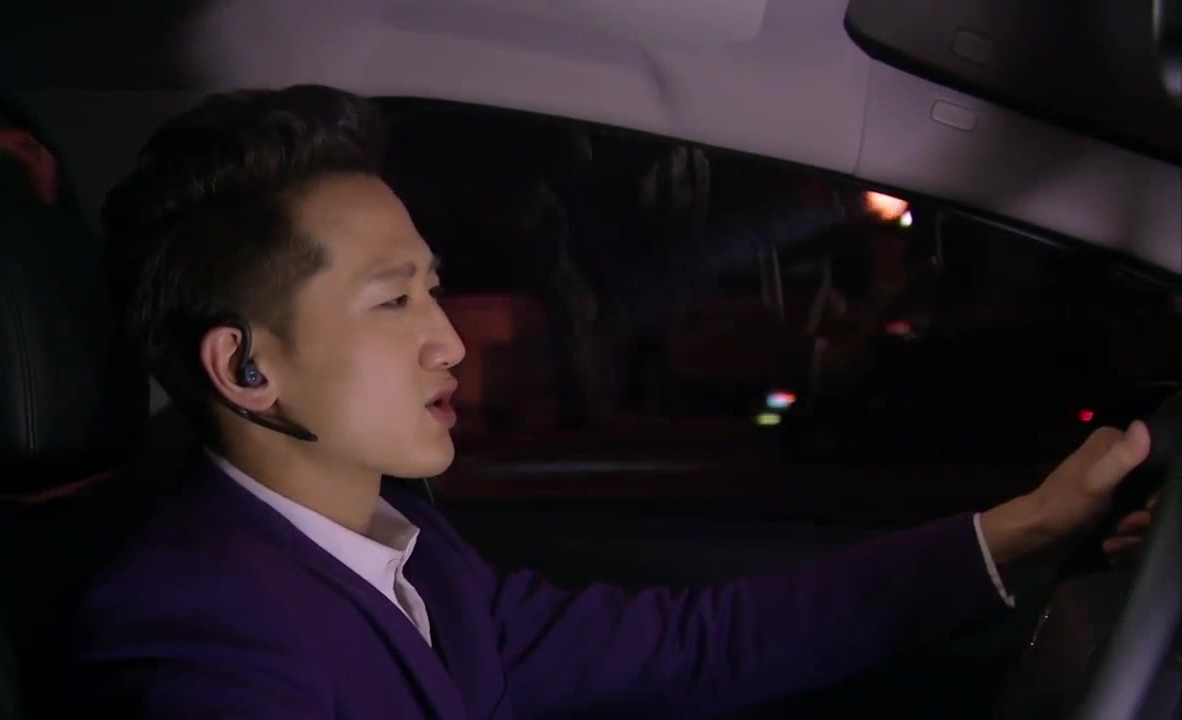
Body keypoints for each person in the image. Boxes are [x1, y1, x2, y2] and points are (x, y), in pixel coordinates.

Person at [75, 85, 1154, 719]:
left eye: (433, 289)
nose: (450, 340)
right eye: (394, 301)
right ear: (246, 369)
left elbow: (697, 646)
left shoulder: (408, 551)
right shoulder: (200, 641)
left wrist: (1027, 527)